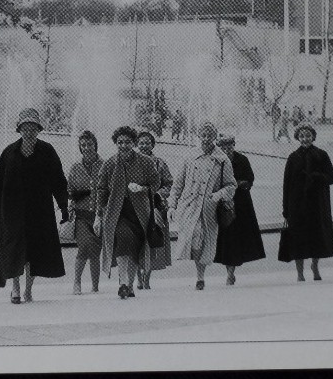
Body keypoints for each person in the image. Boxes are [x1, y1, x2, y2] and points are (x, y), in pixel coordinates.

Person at [0, 108, 70, 304]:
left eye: (32, 128)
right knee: (15, 249)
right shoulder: (9, 153)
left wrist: (64, 206)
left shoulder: (47, 151)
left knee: (34, 251)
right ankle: (15, 288)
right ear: (19, 129)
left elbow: (58, 181)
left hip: (39, 211)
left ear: (38, 129)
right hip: (12, 211)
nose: (29, 131)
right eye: (25, 128)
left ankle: (28, 289)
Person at [168, 121, 236, 290]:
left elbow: (231, 185)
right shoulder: (189, 157)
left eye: (209, 136)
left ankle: (200, 277)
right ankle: (199, 275)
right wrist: (172, 205)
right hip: (190, 206)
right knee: (196, 238)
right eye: (203, 135)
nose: (206, 139)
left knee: (204, 241)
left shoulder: (222, 159)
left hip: (209, 209)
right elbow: (178, 184)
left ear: (214, 137)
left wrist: (218, 195)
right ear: (198, 136)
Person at [95, 126, 161, 299]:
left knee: (135, 247)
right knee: (125, 238)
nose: (123, 145)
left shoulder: (146, 161)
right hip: (117, 212)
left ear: (133, 143)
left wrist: (143, 188)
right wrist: (98, 216)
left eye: (127, 142)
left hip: (140, 213)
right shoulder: (109, 163)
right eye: (120, 142)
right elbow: (101, 190)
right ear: (116, 143)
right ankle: (123, 282)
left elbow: (156, 183)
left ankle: (129, 285)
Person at [278, 122, 333, 281]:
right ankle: (300, 272)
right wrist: (286, 209)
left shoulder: (322, 155)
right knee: (298, 238)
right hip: (297, 204)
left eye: (308, 135)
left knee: (316, 237)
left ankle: (315, 266)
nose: (305, 139)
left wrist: (316, 176)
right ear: (297, 138)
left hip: (317, 204)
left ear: (313, 136)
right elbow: (286, 184)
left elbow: (332, 178)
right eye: (302, 136)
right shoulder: (293, 157)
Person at [213, 133, 266, 284]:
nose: (227, 148)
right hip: (222, 203)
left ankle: (231, 272)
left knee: (236, 238)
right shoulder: (216, 161)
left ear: (233, 145)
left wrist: (239, 184)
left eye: (229, 145)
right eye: (223, 146)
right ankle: (229, 271)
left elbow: (250, 178)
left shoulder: (242, 159)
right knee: (225, 239)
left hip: (240, 204)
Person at [66, 130, 103, 295]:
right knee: (85, 246)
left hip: (99, 215)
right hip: (81, 215)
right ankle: (77, 281)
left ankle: (95, 285)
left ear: (95, 145)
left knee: (95, 250)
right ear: (80, 148)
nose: (87, 148)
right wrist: (73, 197)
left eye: (89, 144)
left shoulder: (105, 165)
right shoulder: (75, 167)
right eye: (83, 145)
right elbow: (69, 191)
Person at [136, 130, 173, 290]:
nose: (144, 146)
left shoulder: (160, 163)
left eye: (147, 143)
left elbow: (169, 183)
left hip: (155, 207)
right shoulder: (132, 162)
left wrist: (159, 194)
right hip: (136, 207)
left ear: (152, 145)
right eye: (141, 143)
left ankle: (147, 278)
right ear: (137, 144)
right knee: (136, 242)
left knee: (151, 242)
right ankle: (138, 276)